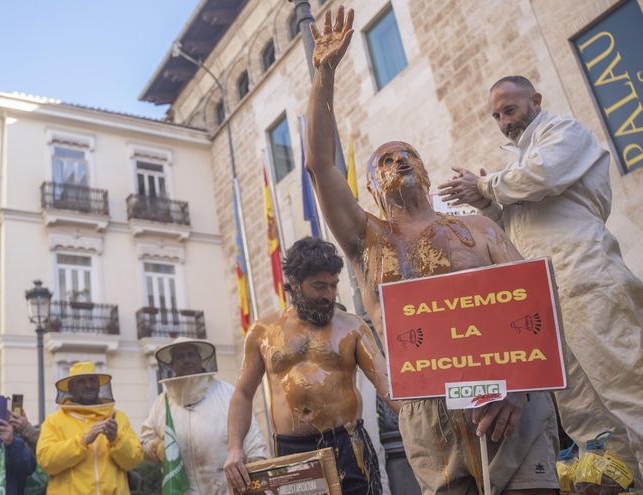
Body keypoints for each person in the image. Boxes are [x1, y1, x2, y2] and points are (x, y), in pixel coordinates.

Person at [294, 7, 560, 494]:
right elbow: (318, 163)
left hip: (509, 395)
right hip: (426, 404)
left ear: (426, 171)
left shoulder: (477, 230)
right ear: (371, 187)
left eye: (408, 155)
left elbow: (536, 304)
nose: (398, 161)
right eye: (385, 161)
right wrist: (323, 74)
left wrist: (520, 388)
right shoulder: (365, 239)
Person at [438, 75, 643, 483]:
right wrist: (487, 204)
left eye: (509, 110)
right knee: (585, 413)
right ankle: (620, 483)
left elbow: (543, 175)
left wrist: (484, 185)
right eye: (496, 116)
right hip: (546, 301)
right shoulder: (515, 166)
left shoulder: (563, 132)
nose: (503, 122)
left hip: (585, 278)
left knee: (628, 387)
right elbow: (520, 228)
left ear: (535, 100)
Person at [224, 237, 391, 495]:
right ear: (293, 282)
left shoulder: (353, 327)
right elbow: (243, 394)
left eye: (333, 285)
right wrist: (235, 447)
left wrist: (424, 422)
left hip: (349, 445)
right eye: (319, 286)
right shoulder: (263, 332)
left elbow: (387, 384)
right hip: (293, 452)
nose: (329, 295)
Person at [141, 338, 268, 494]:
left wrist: (259, 480)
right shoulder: (162, 403)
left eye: (190, 354)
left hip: (228, 490)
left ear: (200, 359)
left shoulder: (228, 394)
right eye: (180, 357)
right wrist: (158, 448)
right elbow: (144, 442)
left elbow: (254, 443)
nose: (186, 360)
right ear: (172, 365)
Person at [36, 361, 142, 495]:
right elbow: (47, 462)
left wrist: (116, 440)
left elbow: (134, 460)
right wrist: (83, 441)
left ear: (99, 385)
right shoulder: (54, 421)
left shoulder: (119, 418)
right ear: (70, 388)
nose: (88, 385)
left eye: (92, 380)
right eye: (81, 381)